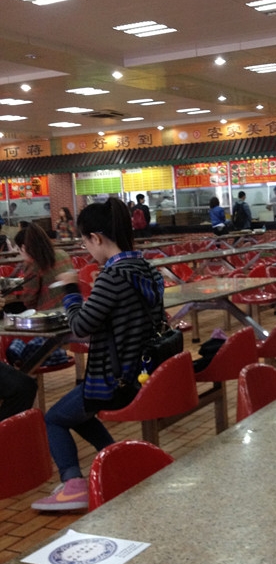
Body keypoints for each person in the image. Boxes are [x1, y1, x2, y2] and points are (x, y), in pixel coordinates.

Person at [31, 198, 165, 513]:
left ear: (96, 238)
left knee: (54, 418)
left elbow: (81, 325)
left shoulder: (112, 276)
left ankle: (73, 485)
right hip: (146, 371)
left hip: (115, 381)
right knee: (77, 410)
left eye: (85, 241)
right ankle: (119, 461)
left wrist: (71, 291)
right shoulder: (147, 269)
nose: (86, 249)